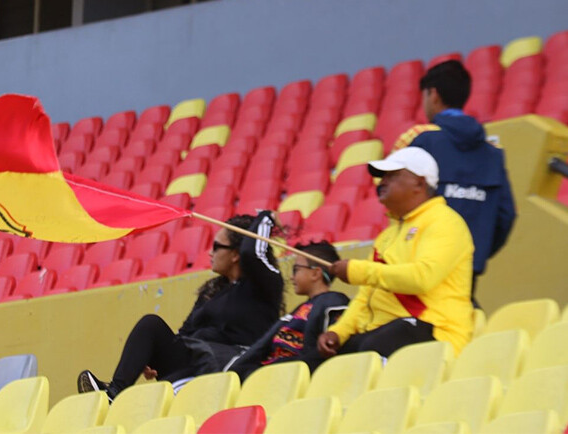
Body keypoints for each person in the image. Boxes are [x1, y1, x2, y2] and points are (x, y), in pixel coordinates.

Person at [78, 211, 284, 400]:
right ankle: (115, 393)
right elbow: (185, 334)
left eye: (216, 247)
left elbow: (252, 252)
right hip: (193, 361)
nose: (210, 253)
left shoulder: (264, 285)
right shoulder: (212, 290)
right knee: (151, 325)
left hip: (229, 367)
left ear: (236, 254)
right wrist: (151, 354)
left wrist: (266, 217)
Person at [317, 147, 474, 360]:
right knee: (318, 361)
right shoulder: (387, 236)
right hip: (385, 330)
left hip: (436, 331)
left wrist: (357, 270)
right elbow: (364, 298)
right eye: (383, 177)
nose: (382, 182)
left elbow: (422, 278)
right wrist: (338, 332)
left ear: (419, 183)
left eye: (392, 176)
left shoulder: (444, 221)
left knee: (376, 347)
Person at [393, 60, 516, 304]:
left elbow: (395, 201)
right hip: (467, 271)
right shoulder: (493, 153)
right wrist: (475, 252)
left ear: (433, 94)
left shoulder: (422, 142)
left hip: (421, 268)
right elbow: (506, 215)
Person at [227, 241, 349, 381]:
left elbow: (325, 352)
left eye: (296, 269)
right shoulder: (296, 311)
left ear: (315, 273)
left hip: (292, 376)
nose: (291, 277)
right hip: (270, 373)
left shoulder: (333, 302)